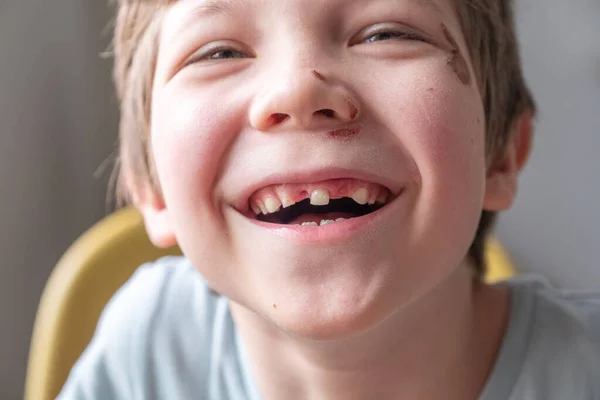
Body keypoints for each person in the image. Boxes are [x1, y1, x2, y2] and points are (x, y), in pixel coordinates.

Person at [58, 0, 600, 398]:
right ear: (150, 187)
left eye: (386, 34)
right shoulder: (147, 345)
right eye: (217, 50)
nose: (298, 89)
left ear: (501, 151)